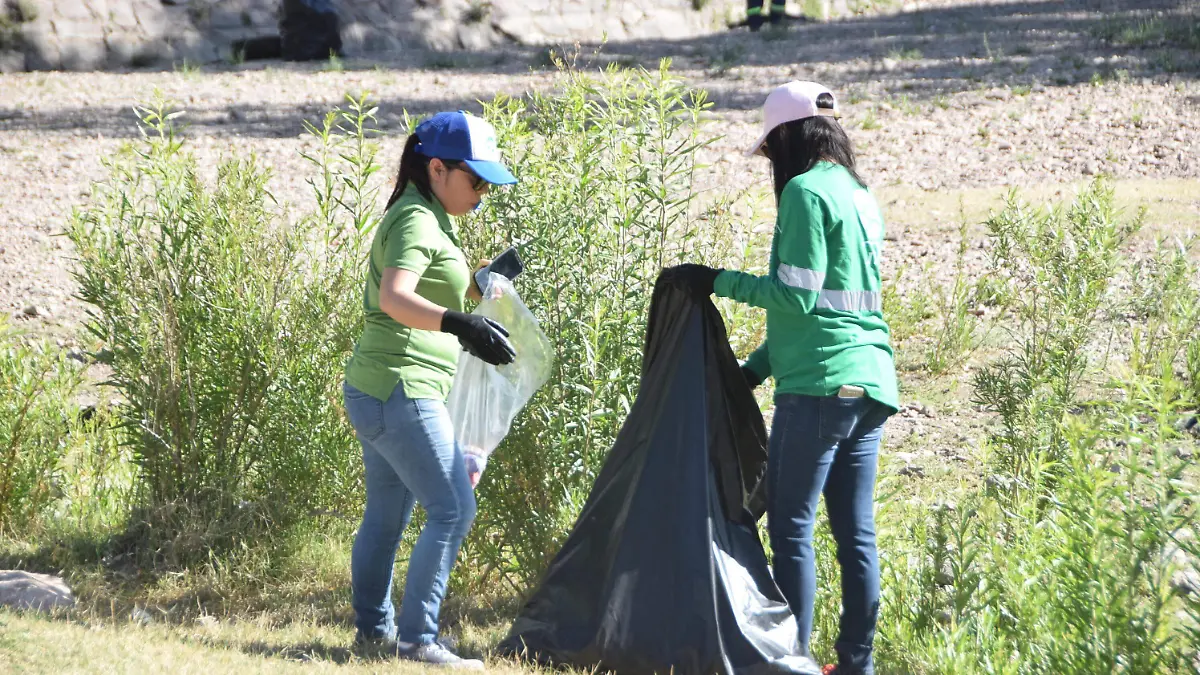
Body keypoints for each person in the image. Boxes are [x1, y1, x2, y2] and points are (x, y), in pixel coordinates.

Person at [661, 81, 898, 675]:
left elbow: (794, 296)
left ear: (787, 137)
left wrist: (714, 279)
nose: (770, 163)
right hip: (869, 383)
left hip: (819, 388)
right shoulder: (860, 195)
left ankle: (790, 661)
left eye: (769, 149)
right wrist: (753, 371)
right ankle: (856, 666)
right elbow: (833, 308)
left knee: (792, 527)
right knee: (856, 537)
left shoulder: (804, 193)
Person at [342, 110, 518, 669]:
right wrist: (459, 323)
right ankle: (418, 639)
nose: (482, 195)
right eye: (476, 181)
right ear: (438, 168)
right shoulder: (418, 221)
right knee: (452, 508)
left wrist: (482, 282)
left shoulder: (428, 215)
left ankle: (374, 633)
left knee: (386, 518)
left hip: (378, 389)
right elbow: (396, 297)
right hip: (401, 389)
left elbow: (441, 285)